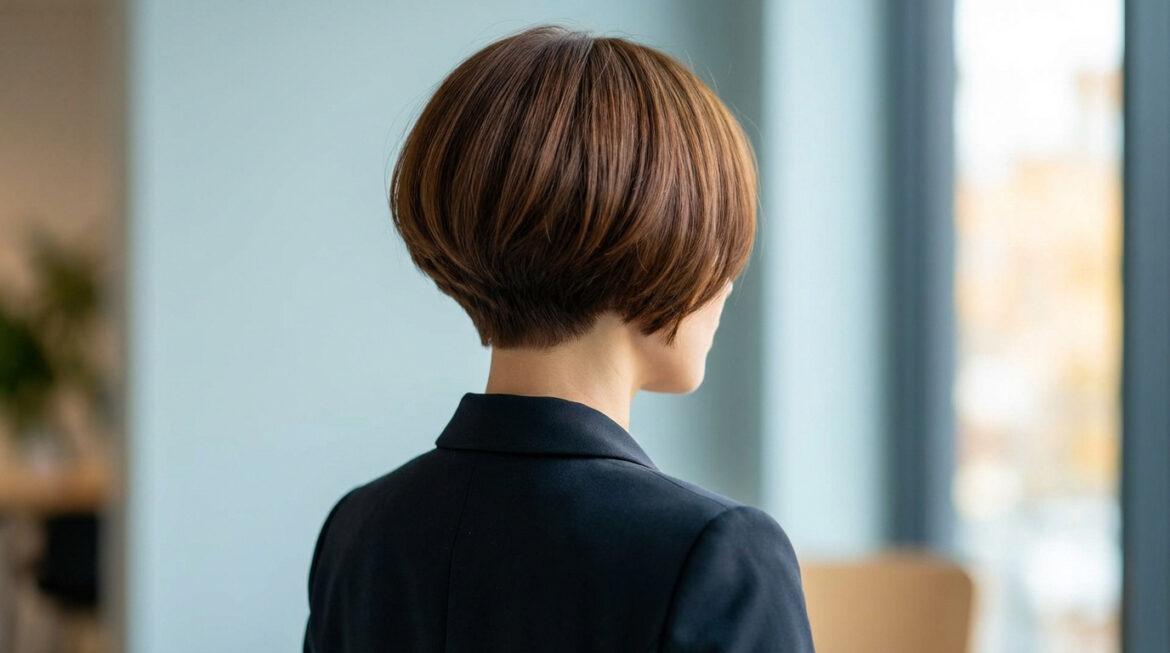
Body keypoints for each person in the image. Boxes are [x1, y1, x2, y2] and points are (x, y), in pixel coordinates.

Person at [303, 24, 814, 652]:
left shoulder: (359, 531)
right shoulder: (714, 551)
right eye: (722, 245)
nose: (729, 283)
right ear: (655, 241)